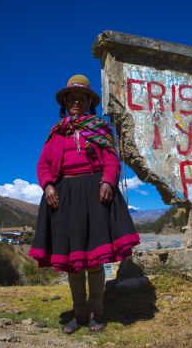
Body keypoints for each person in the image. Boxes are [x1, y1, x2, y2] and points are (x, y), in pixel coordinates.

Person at [29, 74, 140, 334]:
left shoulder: (100, 128)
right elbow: (43, 165)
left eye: (82, 98)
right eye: (72, 98)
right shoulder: (57, 133)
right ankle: (78, 314)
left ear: (90, 102)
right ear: (65, 102)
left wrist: (107, 182)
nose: (76, 101)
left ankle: (96, 313)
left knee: (94, 259)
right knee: (73, 258)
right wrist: (47, 185)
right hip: (64, 197)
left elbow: (111, 161)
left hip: (94, 194)